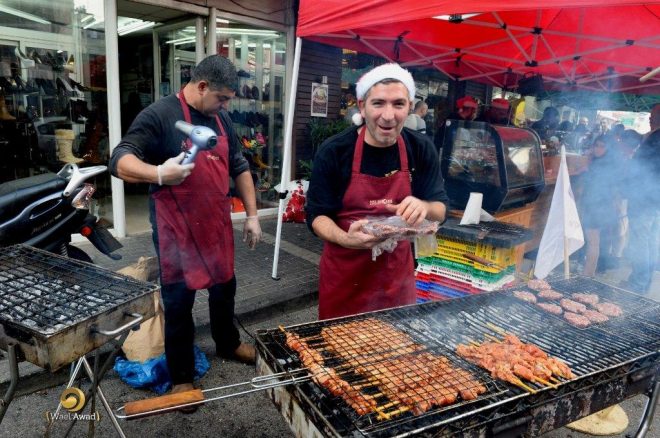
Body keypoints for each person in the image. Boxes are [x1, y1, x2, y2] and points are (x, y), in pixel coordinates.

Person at [109, 55, 262, 399]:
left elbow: (239, 166)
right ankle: (181, 377)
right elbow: (119, 160)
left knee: (225, 289)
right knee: (178, 301)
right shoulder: (160, 114)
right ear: (202, 86)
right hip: (176, 230)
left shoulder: (220, 118)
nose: (226, 106)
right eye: (222, 98)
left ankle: (228, 344)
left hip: (215, 224)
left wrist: (252, 216)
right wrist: (158, 173)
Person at [306, 63, 449, 320]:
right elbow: (317, 215)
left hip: (396, 280)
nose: (388, 115)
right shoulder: (335, 151)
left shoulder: (420, 148)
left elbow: (441, 210)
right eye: (378, 103)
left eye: (398, 104)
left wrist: (424, 207)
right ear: (362, 106)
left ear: (409, 107)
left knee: (397, 342)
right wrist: (345, 238)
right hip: (345, 278)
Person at [622, 104, 660, 293]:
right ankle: (644, 281)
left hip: (644, 198)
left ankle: (638, 283)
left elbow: (643, 168)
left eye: (654, 116)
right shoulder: (653, 136)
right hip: (653, 199)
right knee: (650, 240)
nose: (650, 119)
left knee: (641, 240)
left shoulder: (656, 138)